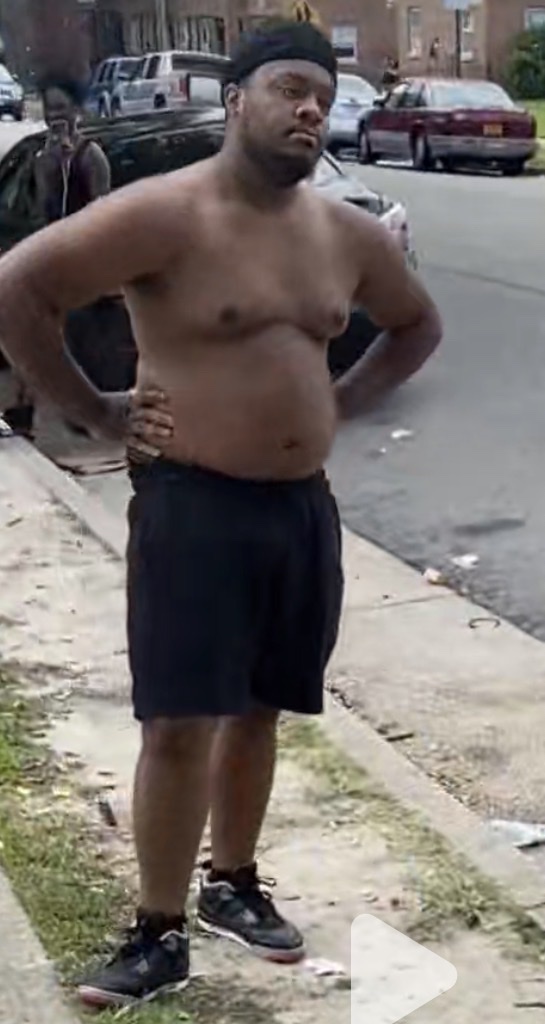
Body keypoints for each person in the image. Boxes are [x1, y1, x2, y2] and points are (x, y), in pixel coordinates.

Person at [0, 20, 442, 1010]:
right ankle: (156, 933)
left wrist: (337, 403)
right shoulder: (166, 213)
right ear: (236, 97)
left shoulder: (345, 234)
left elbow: (416, 323)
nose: (309, 109)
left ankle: (231, 884)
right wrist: (97, 410)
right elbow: (19, 287)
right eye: (288, 87)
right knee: (178, 722)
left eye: (322, 95)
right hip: (193, 503)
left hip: (300, 511)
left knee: (260, 709)